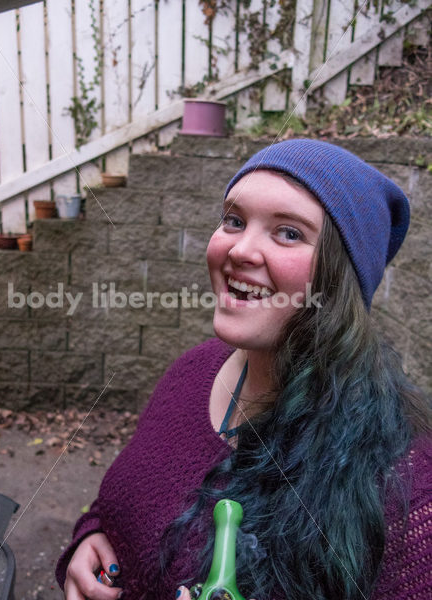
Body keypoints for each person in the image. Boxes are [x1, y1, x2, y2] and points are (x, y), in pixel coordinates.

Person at [56, 139, 431, 600]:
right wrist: (93, 537)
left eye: (288, 232)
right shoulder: (193, 372)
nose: (241, 250)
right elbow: (124, 502)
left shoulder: (404, 481)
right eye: (234, 220)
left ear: (340, 278)